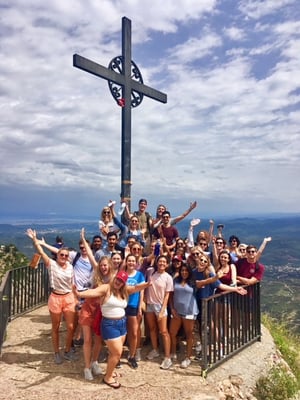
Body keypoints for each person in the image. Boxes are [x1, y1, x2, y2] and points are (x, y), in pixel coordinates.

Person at [74, 270, 150, 389]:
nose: (118, 282)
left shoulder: (124, 291)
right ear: (114, 278)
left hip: (122, 324)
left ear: (124, 283)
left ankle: (111, 371)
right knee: (117, 352)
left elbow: (135, 287)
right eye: (118, 279)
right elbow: (93, 292)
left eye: (122, 281)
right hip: (109, 325)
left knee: (114, 353)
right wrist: (79, 294)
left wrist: (147, 284)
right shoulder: (106, 288)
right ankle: (107, 378)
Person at [26, 229, 76, 365]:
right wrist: (35, 240)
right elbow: (41, 252)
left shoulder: (70, 267)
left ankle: (67, 350)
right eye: (61, 254)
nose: (64, 257)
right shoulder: (51, 264)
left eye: (66, 255)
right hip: (56, 297)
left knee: (71, 327)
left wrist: (75, 296)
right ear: (57, 255)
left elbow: (72, 284)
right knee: (56, 327)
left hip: (69, 297)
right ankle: (56, 353)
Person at [145, 255, 174, 370]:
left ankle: (167, 357)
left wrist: (163, 310)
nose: (161, 263)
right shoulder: (151, 273)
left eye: (164, 262)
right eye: (160, 261)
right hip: (149, 304)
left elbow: (167, 295)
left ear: (167, 264)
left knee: (163, 331)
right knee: (152, 328)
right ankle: (155, 349)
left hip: (160, 306)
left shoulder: (168, 278)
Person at [169, 264, 199, 368]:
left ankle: (188, 357)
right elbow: (171, 295)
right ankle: (173, 352)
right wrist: (172, 309)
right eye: (182, 270)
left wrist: (216, 277)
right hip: (177, 311)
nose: (184, 272)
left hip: (189, 312)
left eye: (186, 270)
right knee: (172, 333)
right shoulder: (175, 281)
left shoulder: (193, 282)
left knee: (189, 334)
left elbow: (206, 282)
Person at [123, 254, 145, 368]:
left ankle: (132, 355)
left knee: (134, 332)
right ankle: (117, 355)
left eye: (133, 261)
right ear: (126, 262)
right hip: (121, 306)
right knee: (121, 332)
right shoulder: (122, 275)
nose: (131, 263)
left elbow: (141, 291)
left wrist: (140, 305)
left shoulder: (140, 275)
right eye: (129, 261)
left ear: (136, 263)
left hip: (133, 306)